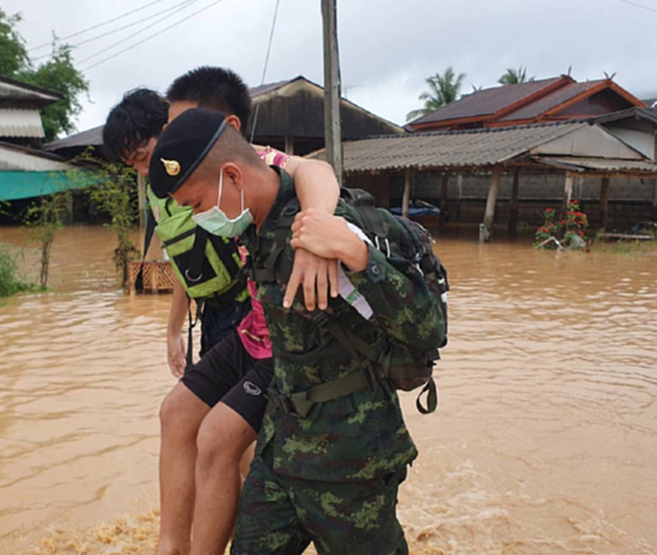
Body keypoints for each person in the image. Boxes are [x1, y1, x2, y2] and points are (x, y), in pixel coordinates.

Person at [149, 108, 445, 555]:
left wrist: (359, 257)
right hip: (281, 459)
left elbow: (428, 330)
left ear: (232, 177)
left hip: (351, 467)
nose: (198, 218)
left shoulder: (330, 228)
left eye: (196, 205)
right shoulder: (259, 224)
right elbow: (306, 167)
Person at [102, 69, 342, 555]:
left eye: (151, 153)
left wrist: (317, 233)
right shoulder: (178, 186)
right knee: (180, 415)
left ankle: (243, 531)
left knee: (227, 440)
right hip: (237, 327)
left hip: (267, 327)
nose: (155, 168)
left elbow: (317, 169)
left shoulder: (248, 170)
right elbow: (185, 260)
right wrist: (174, 329)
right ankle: (173, 546)